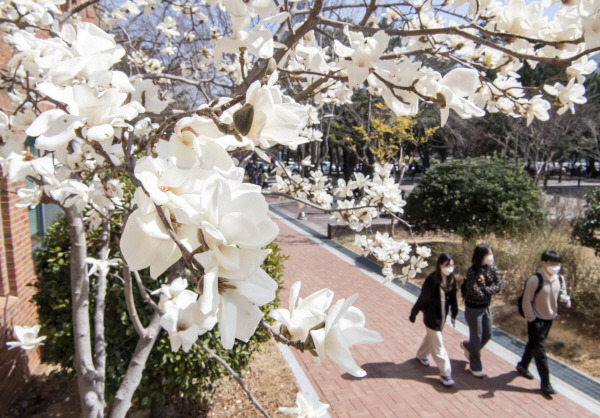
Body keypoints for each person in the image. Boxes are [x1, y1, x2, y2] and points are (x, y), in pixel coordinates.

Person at [516, 250, 571, 396]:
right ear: (543, 263)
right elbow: (526, 301)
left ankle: (522, 366)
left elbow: (563, 293)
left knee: (533, 344)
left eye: (558, 264)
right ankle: (546, 384)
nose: (555, 266)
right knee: (541, 352)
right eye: (552, 264)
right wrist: (532, 319)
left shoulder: (560, 279)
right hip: (536, 320)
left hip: (549, 319)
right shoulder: (535, 280)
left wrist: (566, 300)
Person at [409, 253, 459, 387]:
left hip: (442, 316)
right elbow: (423, 297)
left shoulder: (451, 280)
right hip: (431, 316)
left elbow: (453, 299)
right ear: (440, 265)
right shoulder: (432, 279)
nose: (450, 268)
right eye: (447, 265)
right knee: (438, 345)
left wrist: (454, 313)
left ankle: (421, 355)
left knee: (431, 338)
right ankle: (445, 373)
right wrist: (414, 312)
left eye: (452, 265)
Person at [460, 243, 502, 377]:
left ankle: (469, 346)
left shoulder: (492, 269)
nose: (491, 257)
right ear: (481, 256)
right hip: (473, 309)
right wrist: (488, 289)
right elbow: (474, 291)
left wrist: (485, 289)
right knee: (477, 337)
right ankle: (475, 366)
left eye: (491, 253)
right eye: (488, 254)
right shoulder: (472, 271)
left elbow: (498, 286)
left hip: (486, 307)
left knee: (487, 335)